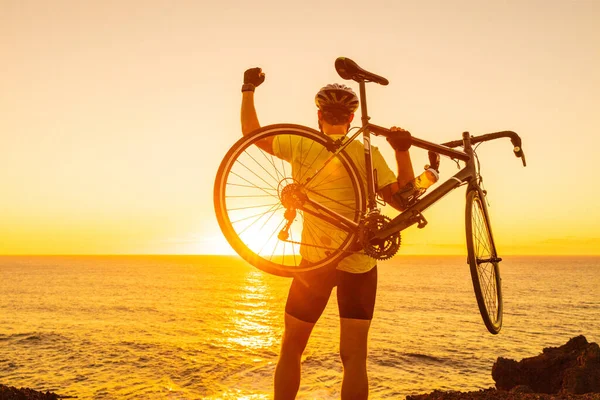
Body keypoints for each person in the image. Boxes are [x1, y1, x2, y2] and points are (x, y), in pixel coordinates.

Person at [240, 67, 415, 399]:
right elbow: (403, 200)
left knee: (291, 348)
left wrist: (248, 88)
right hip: (360, 265)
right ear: (351, 118)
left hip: (315, 262)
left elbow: (251, 132)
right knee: (354, 358)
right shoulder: (368, 153)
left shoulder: (301, 144)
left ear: (318, 115)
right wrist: (401, 151)